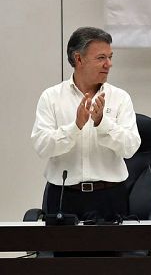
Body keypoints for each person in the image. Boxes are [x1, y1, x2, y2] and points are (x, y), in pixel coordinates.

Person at [31, 27, 140, 222]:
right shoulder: (52, 97)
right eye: (101, 58)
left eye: (110, 57)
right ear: (78, 59)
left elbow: (130, 147)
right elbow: (42, 146)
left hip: (109, 196)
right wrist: (75, 128)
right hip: (64, 197)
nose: (109, 64)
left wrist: (101, 123)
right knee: (65, 252)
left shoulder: (120, 98)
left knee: (111, 252)